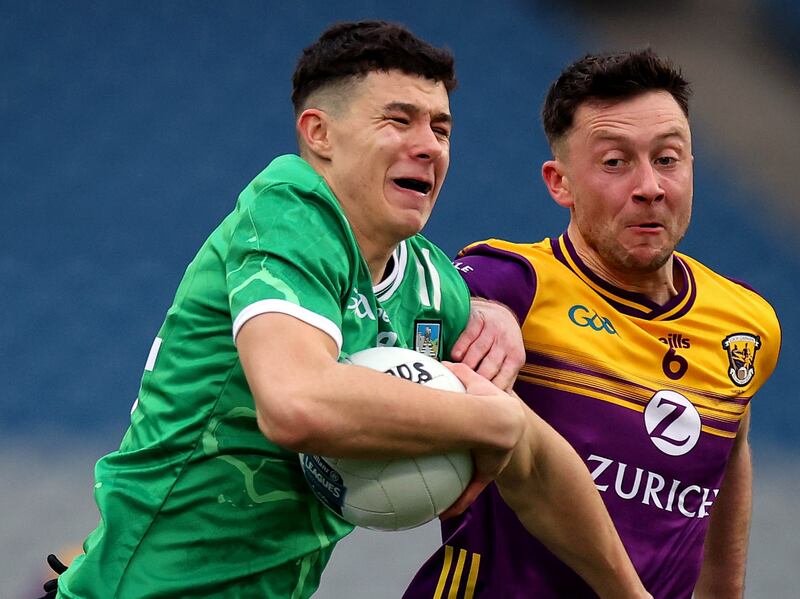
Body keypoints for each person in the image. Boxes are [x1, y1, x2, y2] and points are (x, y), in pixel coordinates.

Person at [42, 22, 652, 599]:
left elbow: (537, 461)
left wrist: (629, 594)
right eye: (398, 120)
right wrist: (492, 424)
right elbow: (296, 404)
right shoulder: (288, 210)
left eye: (441, 129)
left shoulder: (434, 288)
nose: (427, 147)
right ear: (319, 134)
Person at [404, 49, 782, 599]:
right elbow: (416, 293)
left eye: (669, 158)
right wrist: (477, 308)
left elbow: (730, 450)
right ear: (560, 183)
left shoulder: (747, 323)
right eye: (615, 162)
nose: (650, 186)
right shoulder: (513, 281)